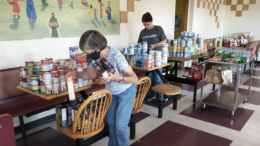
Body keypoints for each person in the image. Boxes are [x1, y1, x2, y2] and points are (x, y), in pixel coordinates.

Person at [66, 30, 138, 146]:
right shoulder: (96, 57)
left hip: (126, 91)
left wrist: (117, 78)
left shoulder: (116, 56)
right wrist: (74, 74)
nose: (88, 56)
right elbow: (92, 74)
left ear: (98, 47)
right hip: (111, 93)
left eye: (88, 53)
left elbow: (134, 78)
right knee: (111, 123)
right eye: (86, 53)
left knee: (120, 125)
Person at [137, 12, 167, 101]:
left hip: (157, 58)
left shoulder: (158, 29)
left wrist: (155, 45)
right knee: (148, 78)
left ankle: (160, 97)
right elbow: (139, 44)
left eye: (148, 24)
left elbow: (164, 41)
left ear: (152, 21)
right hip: (146, 59)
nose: (146, 26)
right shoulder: (142, 32)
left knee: (157, 79)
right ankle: (151, 95)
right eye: (144, 24)